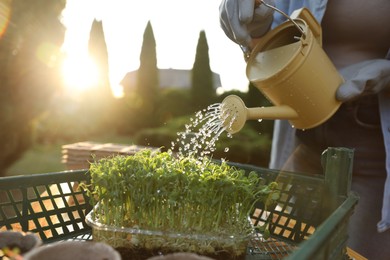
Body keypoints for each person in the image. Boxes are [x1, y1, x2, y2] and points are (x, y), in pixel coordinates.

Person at [219, 0, 390, 259]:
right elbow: (270, 41)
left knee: (355, 253)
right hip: (304, 137)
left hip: (375, 149)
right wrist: (256, 25)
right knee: (273, 247)